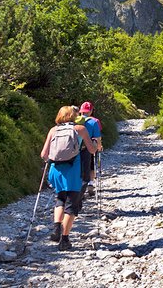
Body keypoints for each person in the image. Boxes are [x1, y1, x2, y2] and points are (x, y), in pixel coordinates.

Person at [40, 105, 96, 250]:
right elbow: (91, 150)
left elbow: (44, 155)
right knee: (72, 204)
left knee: (60, 199)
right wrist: (95, 144)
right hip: (73, 170)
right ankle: (64, 240)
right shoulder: (80, 129)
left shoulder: (53, 130)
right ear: (74, 116)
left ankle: (56, 228)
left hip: (56, 170)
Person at [77, 101, 103, 196]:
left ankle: (77, 188)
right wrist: (99, 147)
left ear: (81, 111)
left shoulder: (74, 120)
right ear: (91, 111)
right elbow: (97, 137)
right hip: (89, 148)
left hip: (73, 149)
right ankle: (90, 183)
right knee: (91, 165)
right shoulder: (94, 121)